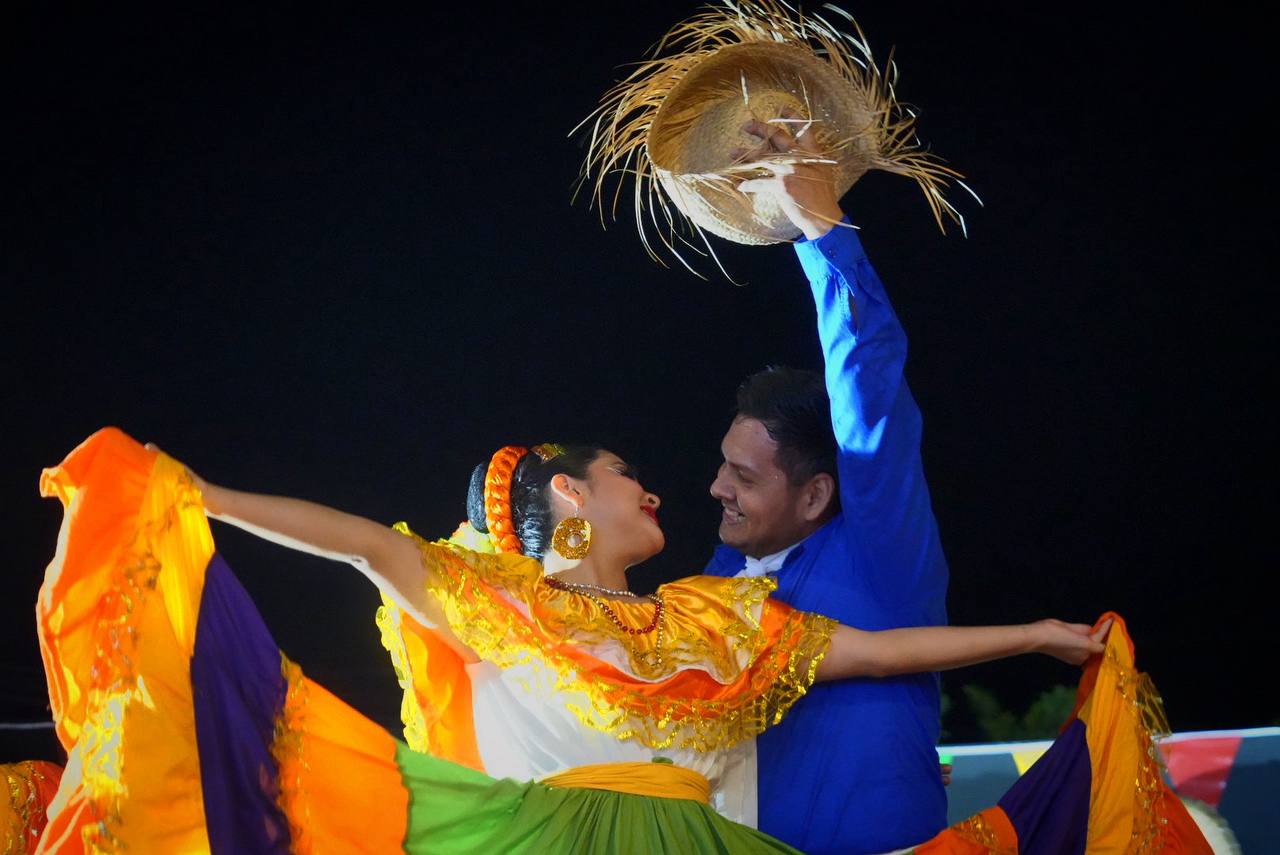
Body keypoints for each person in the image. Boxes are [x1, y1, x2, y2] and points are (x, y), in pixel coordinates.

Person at [28, 428, 1158, 853]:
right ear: (570, 494)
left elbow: (875, 650)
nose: (655, 486)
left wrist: (1033, 635)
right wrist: (200, 491)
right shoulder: (487, 598)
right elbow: (364, 543)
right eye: (628, 475)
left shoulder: (712, 621)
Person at [702, 118, 952, 852]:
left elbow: (868, 389)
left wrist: (821, 226)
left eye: (743, 477)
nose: (716, 488)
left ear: (815, 495)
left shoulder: (880, 554)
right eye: (723, 464)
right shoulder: (715, 581)